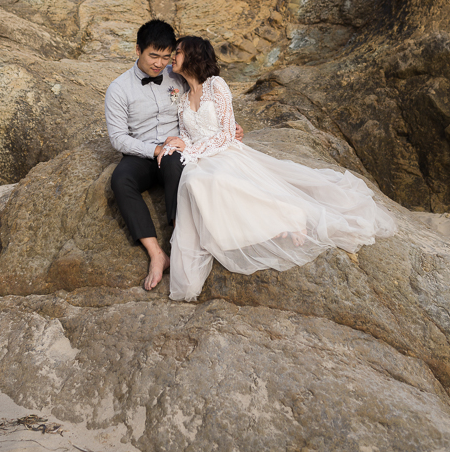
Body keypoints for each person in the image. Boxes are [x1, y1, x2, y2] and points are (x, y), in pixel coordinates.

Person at [160, 35, 397, 302]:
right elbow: (188, 135)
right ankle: (225, 240)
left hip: (224, 153)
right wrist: (181, 145)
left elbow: (226, 133)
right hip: (200, 158)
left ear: (193, 55)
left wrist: (192, 149)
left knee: (215, 180)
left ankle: (290, 214)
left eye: (178, 52)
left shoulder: (216, 85)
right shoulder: (182, 97)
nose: (173, 57)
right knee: (193, 183)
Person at [105, 20, 244, 291]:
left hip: (176, 148)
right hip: (142, 151)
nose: (159, 64)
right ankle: (157, 254)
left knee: (173, 163)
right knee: (120, 179)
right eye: (153, 56)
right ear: (138, 50)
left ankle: (181, 242)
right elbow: (118, 138)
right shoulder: (118, 89)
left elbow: (204, 99)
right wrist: (154, 149)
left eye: (166, 57)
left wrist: (230, 127)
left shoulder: (178, 74)